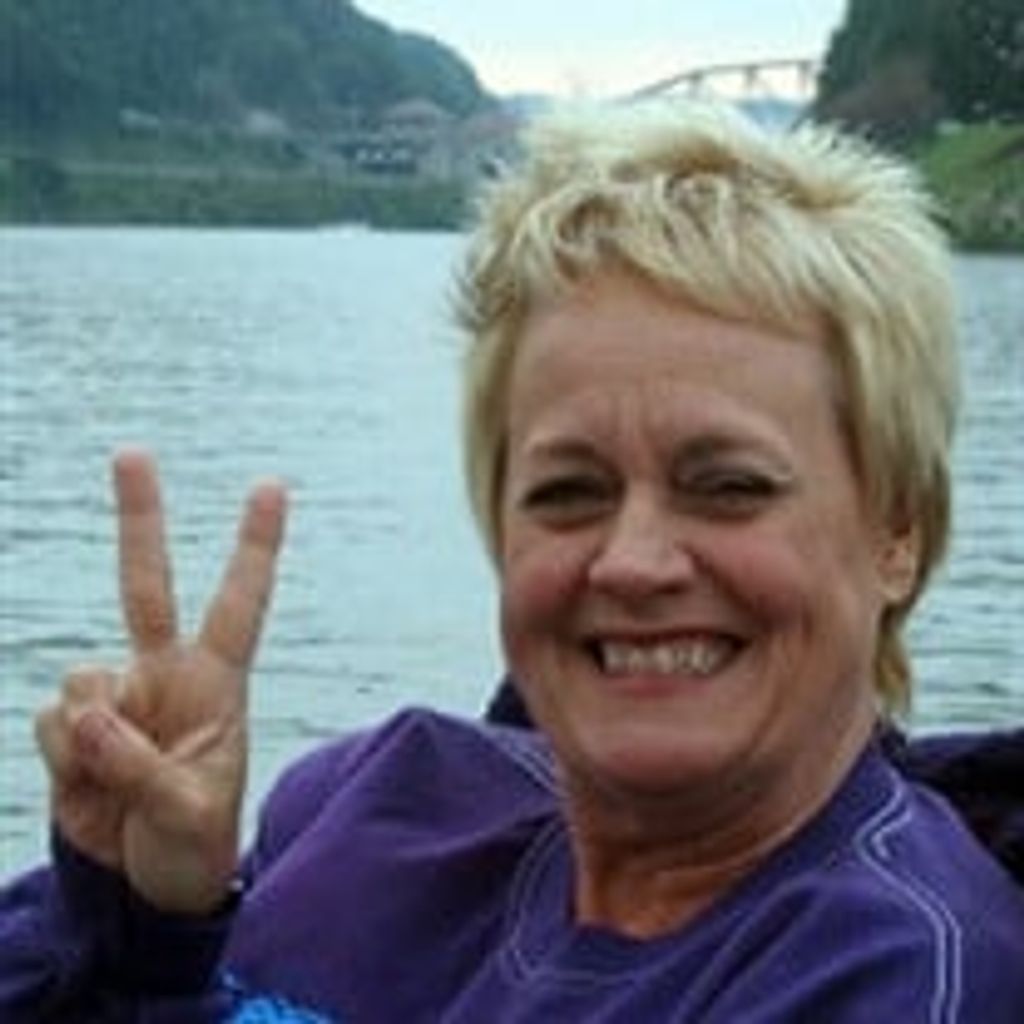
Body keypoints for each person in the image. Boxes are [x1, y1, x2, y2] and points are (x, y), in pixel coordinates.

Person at [2, 100, 1023, 1023]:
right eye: (568, 492)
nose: (631, 562)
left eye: (729, 486)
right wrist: (134, 919)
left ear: (898, 533)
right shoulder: (365, 803)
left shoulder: (890, 970)